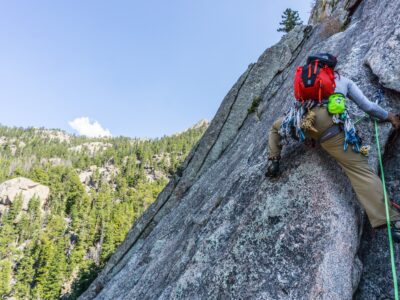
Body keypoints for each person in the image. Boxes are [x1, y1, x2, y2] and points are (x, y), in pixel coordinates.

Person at [266, 53, 400, 240]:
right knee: (360, 171)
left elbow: (298, 106)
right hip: (330, 128)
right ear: (332, 66)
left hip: (305, 122)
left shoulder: (304, 80)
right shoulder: (342, 80)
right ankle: (392, 223)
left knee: (274, 128)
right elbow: (368, 107)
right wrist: (389, 116)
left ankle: (273, 161)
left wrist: (307, 135)